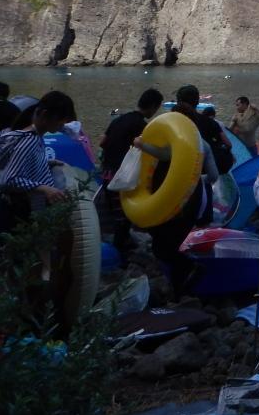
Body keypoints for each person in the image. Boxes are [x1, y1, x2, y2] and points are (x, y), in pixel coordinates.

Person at [132, 105, 219, 299]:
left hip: (171, 200)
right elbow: (213, 176)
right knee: (173, 242)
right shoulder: (203, 144)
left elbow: (166, 155)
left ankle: (189, 268)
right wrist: (195, 178)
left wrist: (141, 144)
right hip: (192, 198)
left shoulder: (177, 140)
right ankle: (180, 288)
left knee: (162, 245)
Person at [0, 91, 72, 233]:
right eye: (61, 119)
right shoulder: (30, 140)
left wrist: (46, 163)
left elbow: (18, 163)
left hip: (6, 206)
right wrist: (46, 189)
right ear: (45, 114)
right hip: (12, 212)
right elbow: (11, 179)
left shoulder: (30, 134)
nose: (63, 124)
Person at [98, 88, 163, 251]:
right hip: (120, 177)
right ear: (153, 106)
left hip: (106, 174)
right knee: (124, 218)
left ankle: (122, 247)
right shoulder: (141, 125)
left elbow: (102, 142)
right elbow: (148, 150)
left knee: (117, 217)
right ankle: (121, 257)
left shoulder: (119, 120)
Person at [176, 86, 233, 175]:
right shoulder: (210, 122)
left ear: (178, 101)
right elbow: (228, 144)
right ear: (197, 101)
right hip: (202, 171)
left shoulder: (171, 122)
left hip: (179, 170)